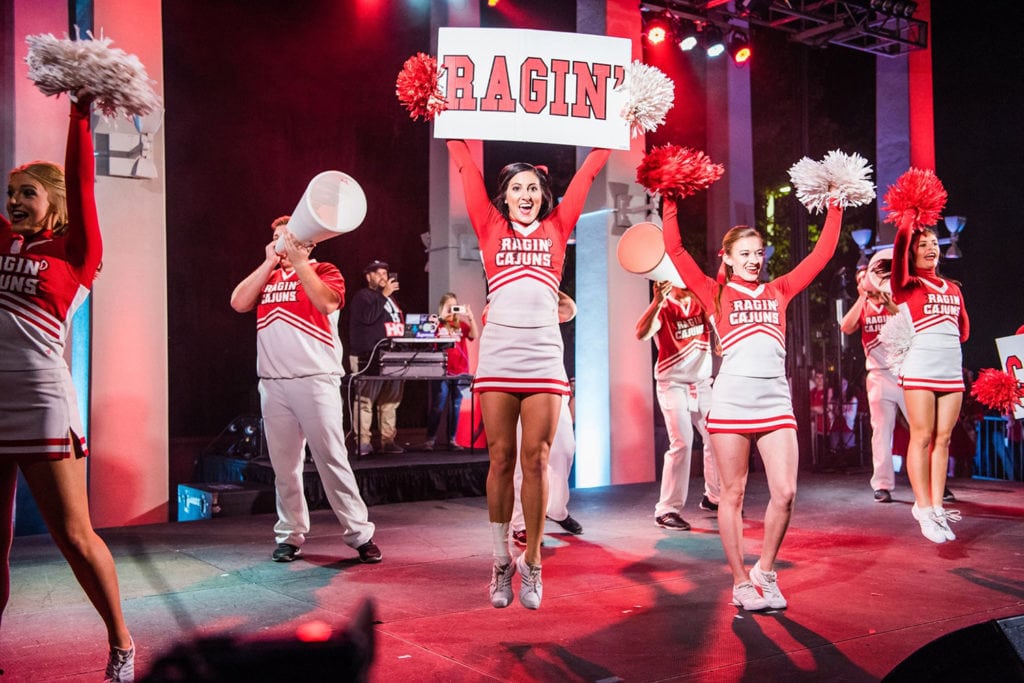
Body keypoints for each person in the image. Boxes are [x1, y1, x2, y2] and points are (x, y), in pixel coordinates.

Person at [0, 94, 135, 680]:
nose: (14, 203)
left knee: (75, 536)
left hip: (41, 402)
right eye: (9, 195)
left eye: (26, 193)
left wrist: (80, 115)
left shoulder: (76, 253)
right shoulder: (2, 241)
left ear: (52, 203)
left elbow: (83, 185)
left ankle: (121, 643)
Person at [447, 139, 611, 610]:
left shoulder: (559, 227)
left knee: (537, 459)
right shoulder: (489, 224)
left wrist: (619, 122)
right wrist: (445, 111)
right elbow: (464, 164)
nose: (525, 194)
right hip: (498, 355)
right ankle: (500, 559)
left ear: (543, 195)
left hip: (543, 355)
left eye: (533, 188)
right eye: (517, 187)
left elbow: (587, 176)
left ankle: (533, 561)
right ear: (505, 195)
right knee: (501, 460)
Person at [662, 194, 844, 611]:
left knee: (785, 492)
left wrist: (835, 205)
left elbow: (822, 254)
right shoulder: (713, 292)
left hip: (775, 401)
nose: (754, 260)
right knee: (734, 493)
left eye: (758, 253)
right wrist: (669, 200)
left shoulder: (778, 289)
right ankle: (741, 582)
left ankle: (766, 570)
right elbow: (674, 249)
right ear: (726, 258)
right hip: (730, 402)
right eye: (744, 254)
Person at [230, 217, 381, 565]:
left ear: (308, 242)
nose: (281, 243)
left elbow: (328, 303)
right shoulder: (267, 275)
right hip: (273, 384)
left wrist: (299, 261)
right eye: (276, 238)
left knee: (332, 460)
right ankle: (289, 535)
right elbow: (238, 302)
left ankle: (360, 535)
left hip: (316, 380)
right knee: (285, 467)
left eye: (288, 237)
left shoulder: (325, 269)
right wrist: (270, 262)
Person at [891, 219, 969, 543]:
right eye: (922, 244)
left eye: (934, 243)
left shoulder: (953, 288)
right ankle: (922, 508)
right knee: (921, 436)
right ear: (912, 253)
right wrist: (910, 220)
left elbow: (964, 330)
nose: (930, 248)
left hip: (950, 368)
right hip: (921, 366)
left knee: (944, 439)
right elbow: (897, 253)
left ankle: (937, 507)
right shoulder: (907, 285)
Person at [635, 280, 720, 531]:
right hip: (673, 383)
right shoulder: (664, 304)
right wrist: (656, 302)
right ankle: (666, 510)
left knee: (717, 436)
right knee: (682, 442)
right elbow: (641, 333)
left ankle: (714, 497)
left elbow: (719, 321)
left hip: (703, 382)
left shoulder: (702, 299)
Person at [511, 293, 586, 547]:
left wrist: (547, 284)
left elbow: (570, 309)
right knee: (526, 458)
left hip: (553, 384)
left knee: (564, 450)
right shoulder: (504, 303)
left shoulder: (546, 304)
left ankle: (556, 510)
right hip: (521, 387)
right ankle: (521, 524)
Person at [840, 266, 907, 503]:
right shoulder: (863, 306)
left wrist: (887, 302)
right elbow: (845, 326)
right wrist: (861, 296)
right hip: (878, 375)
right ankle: (883, 485)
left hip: (905, 372)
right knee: (880, 431)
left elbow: (911, 322)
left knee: (922, 429)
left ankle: (935, 485)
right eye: (860, 281)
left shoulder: (894, 297)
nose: (865, 282)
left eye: (868, 278)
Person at [348, 261, 405, 456]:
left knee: (390, 401)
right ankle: (362, 441)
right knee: (365, 400)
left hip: (392, 356)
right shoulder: (363, 296)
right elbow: (368, 317)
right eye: (378, 273)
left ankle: (388, 441)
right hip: (368, 356)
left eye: (385, 273)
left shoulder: (391, 300)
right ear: (368, 277)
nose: (383, 276)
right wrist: (383, 295)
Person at [422, 292, 478, 451]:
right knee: (438, 405)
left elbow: (474, 335)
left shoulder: (461, 324)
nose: (452, 310)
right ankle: (430, 440)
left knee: (456, 406)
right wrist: (442, 317)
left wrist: (470, 316)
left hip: (460, 372)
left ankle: (452, 440)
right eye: (449, 306)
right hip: (441, 371)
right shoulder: (437, 324)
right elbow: (426, 336)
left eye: (455, 306)